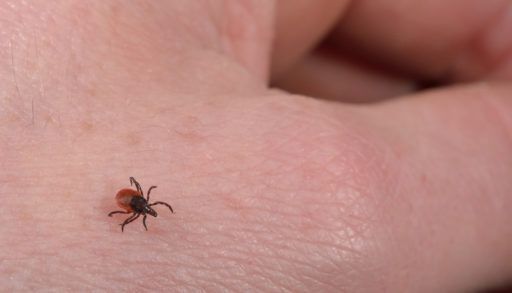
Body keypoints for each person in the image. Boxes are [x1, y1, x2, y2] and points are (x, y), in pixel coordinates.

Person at [1, 1, 511, 291]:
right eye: (144, 207)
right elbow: (135, 195)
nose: (143, 207)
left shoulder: (138, 203)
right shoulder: (136, 203)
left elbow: (136, 194)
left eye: (143, 207)